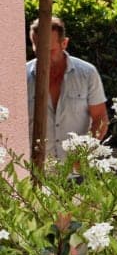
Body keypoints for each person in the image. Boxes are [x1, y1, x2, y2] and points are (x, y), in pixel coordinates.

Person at [25, 16, 108, 156]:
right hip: (37, 171)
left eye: (50, 51)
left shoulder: (87, 73)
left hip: (77, 170)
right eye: (38, 51)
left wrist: (83, 153)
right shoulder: (23, 77)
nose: (44, 57)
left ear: (64, 43)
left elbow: (100, 118)